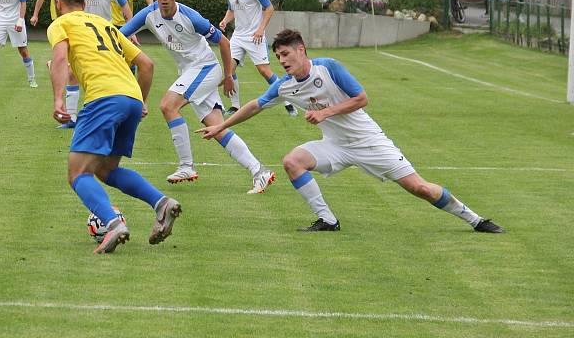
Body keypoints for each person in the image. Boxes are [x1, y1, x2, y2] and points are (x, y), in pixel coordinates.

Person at [197, 29, 505, 232]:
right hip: (335, 145)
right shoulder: (284, 85)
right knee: (293, 161)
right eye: (278, 57)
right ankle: (328, 221)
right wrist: (221, 125)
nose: (282, 60)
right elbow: (254, 106)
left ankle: (475, 220)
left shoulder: (328, 67)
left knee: (419, 189)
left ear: (302, 50)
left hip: (369, 142)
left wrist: (326, 112)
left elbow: (362, 98)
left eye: (286, 54)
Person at [47, 0, 182, 254]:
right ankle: (161, 203)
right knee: (106, 169)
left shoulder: (61, 23)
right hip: (130, 97)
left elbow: (60, 59)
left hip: (103, 97)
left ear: (58, 4)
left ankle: (112, 223)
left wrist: (59, 99)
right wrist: (140, 101)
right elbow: (146, 64)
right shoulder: (106, 25)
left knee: (77, 174)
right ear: (84, 4)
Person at [120, 0, 275, 192]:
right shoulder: (148, 14)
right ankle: (259, 171)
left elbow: (223, 41)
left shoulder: (191, 17)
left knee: (167, 105)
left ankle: (187, 166)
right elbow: (118, 34)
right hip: (189, 72)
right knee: (218, 128)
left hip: (205, 68)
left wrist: (229, 76)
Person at [59, 0, 132, 127]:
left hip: (103, 38)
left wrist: (131, 31)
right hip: (79, 35)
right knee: (72, 72)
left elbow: (125, 7)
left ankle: (112, 114)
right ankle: (72, 118)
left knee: (105, 77)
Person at [219, 0, 297, 117]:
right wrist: (225, 20)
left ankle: (288, 101)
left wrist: (261, 29)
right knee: (229, 69)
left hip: (255, 37)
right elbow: (232, 9)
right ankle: (235, 106)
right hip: (238, 37)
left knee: (264, 71)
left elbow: (269, 8)